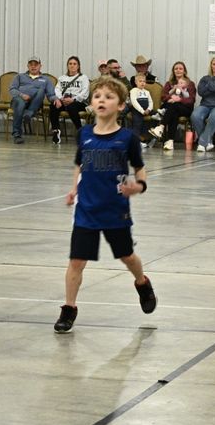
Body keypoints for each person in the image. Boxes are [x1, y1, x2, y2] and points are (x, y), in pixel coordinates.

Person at [53, 76, 157, 334]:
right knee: (76, 261)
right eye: (97, 96)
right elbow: (79, 164)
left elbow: (140, 170)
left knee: (127, 256)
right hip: (86, 210)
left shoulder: (127, 138)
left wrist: (138, 186)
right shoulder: (84, 134)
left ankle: (142, 282)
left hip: (115, 210)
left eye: (109, 97)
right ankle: (69, 308)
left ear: (120, 105)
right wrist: (74, 189)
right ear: (91, 103)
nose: (102, 100)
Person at [152, 61, 196, 151]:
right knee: (173, 112)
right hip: (173, 108)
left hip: (186, 108)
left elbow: (191, 100)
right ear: (173, 71)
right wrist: (172, 96)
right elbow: (163, 97)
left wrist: (180, 99)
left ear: (184, 71)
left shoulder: (190, 83)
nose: (178, 70)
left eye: (180, 69)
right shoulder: (169, 83)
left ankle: (161, 127)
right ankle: (170, 142)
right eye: (176, 69)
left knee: (173, 106)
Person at [9, 55, 53, 144]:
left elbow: (51, 94)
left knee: (41, 90)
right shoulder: (20, 76)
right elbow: (12, 89)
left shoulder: (46, 79)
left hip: (35, 102)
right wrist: (22, 95)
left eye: (35, 64)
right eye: (31, 64)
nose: (33, 67)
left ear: (40, 66)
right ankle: (17, 135)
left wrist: (55, 100)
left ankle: (28, 113)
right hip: (19, 100)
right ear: (28, 66)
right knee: (20, 103)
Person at [50, 56, 89, 145]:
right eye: (70, 64)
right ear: (67, 66)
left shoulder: (83, 77)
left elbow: (85, 92)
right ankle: (56, 131)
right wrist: (60, 99)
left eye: (74, 64)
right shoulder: (62, 78)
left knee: (71, 107)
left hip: (78, 102)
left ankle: (80, 131)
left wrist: (73, 99)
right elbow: (57, 89)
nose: (72, 66)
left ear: (78, 66)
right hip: (64, 101)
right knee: (54, 104)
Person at [124, 72, 158, 144]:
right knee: (137, 123)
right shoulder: (133, 90)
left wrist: (149, 109)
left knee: (156, 114)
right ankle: (137, 141)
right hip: (137, 110)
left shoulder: (147, 92)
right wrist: (142, 111)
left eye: (144, 81)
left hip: (147, 109)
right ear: (136, 82)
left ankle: (153, 135)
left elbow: (151, 102)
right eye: (140, 81)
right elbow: (134, 102)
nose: (142, 83)